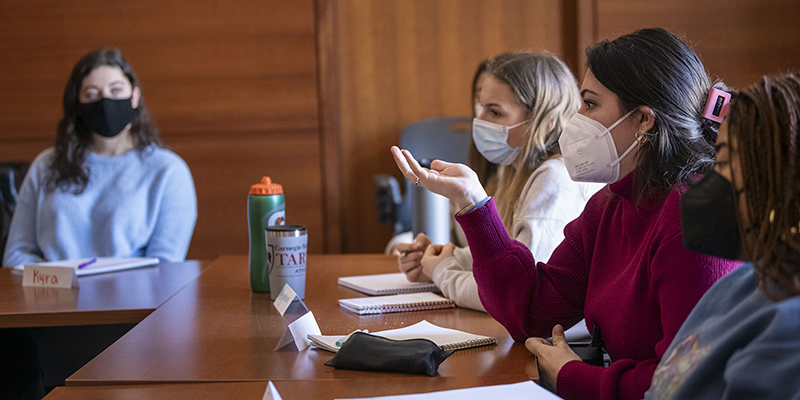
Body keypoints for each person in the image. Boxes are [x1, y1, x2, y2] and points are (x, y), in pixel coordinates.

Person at [391, 28, 741, 400]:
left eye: (589, 104)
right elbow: (533, 311)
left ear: (643, 120)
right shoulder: (610, 204)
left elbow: (686, 385)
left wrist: (574, 376)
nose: (576, 118)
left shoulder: (694, 217)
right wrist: (473, 203)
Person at [397, 52, 602, 313]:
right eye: (480, 107)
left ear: (544, 120)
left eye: (494, 111)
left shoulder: (555, 178)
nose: (478, 121)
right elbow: (504, 256)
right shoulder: (513, 174)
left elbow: (515, 295)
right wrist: (443, 258)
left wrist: (443, 271)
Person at [644, 73, 800, 399]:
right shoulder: (742, 283)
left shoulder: (790, 329)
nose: (711, 179)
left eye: (726, 162)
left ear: (782, 177)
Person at [2, 49, 197, 267]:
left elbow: (166, 267)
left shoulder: (168, 171)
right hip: (52, 296)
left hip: (133, 300)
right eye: (92, 94)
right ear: (78, 104)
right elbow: (17, 254)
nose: (105, 102)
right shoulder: (46, 165)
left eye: (116, 90)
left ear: (134, 96)